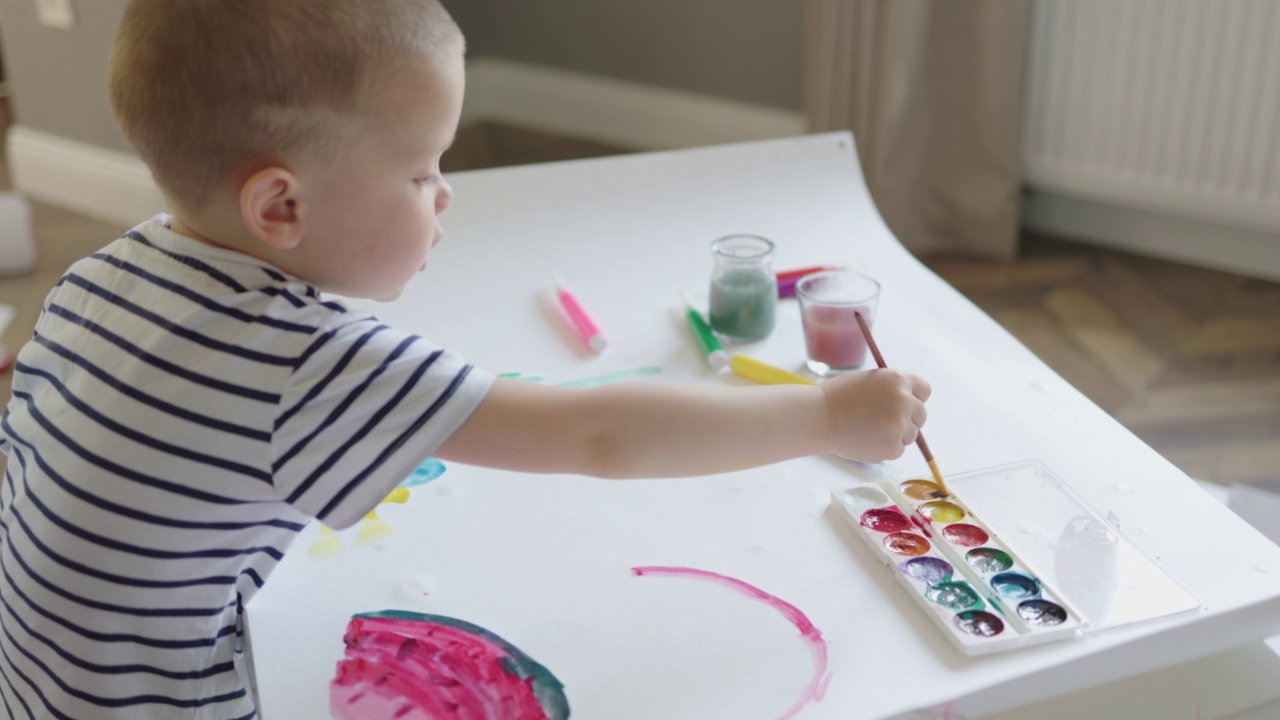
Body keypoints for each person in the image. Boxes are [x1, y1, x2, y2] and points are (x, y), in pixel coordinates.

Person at [0, 1, 931, 717]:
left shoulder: (105, 271)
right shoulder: (303, 364)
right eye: (420, 172)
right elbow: (602, 435)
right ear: (280, 208)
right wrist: (826, 414)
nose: (445, 196)